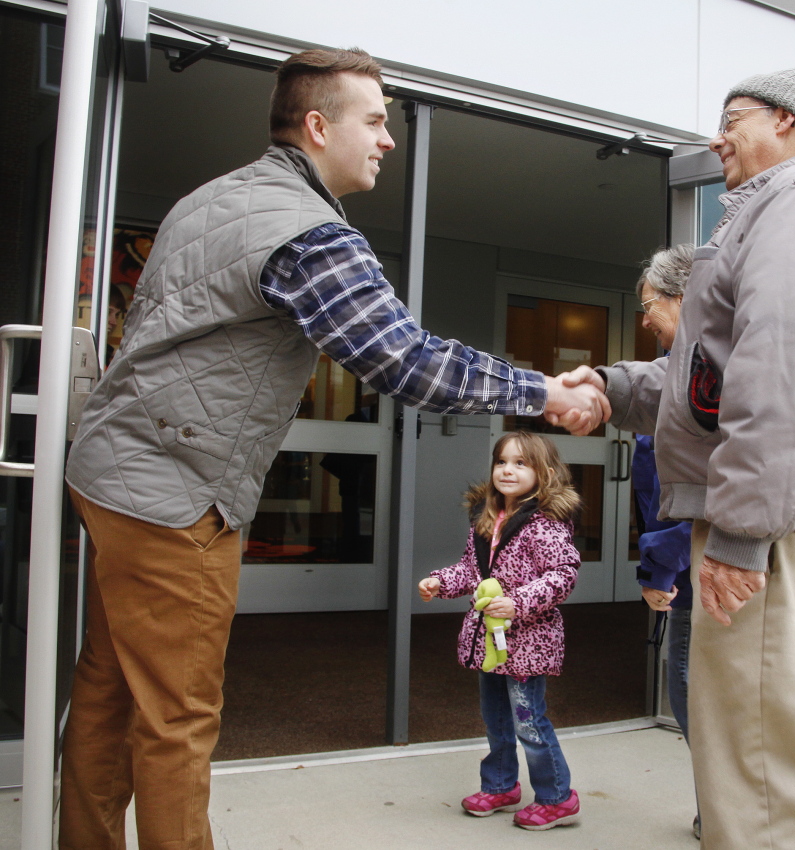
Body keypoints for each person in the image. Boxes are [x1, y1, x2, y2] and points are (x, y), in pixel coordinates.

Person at [59, 48, 606, 850]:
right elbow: (403, 358)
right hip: (172, 494)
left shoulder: (210, 199)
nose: (388, 140)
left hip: (110, 475)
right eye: (376, 121)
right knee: (176, 717)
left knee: (109, 690)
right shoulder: (309, 231)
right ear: (318, 126)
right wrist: (545, 395)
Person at [557, 67, 795, 849]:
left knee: (757, 766)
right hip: (785, 520)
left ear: (785, 121)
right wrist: (610, 388)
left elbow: (790, 373)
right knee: (748, 753)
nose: (717, 138)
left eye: (733, 118)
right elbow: (713, 374)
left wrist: (743, 534)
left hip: (782, 529)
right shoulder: (781, 209)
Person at [418, 430, 581, 831]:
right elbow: (472, 572)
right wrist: (441, 581)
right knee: (496, 719)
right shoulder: (486, 518)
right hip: (490, 642)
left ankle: (557, 797)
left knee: (528, 720)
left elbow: (564, 573)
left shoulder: (544, 523)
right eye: (502, 462)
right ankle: (500, 786)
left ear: (544, 471)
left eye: (520, 463)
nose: (508, 470)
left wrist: (519, 602)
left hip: (527, 643)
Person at [628, 244, 698, 838]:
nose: (644, 319)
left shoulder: (691, 377)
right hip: (696, 559)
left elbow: (685, 494)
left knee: (691, 678)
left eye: (650, 305)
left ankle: (720, 801)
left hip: (701, 565)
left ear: (683, 298)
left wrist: (658, 571)